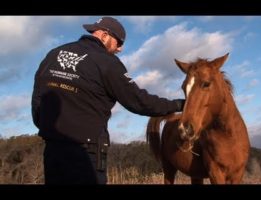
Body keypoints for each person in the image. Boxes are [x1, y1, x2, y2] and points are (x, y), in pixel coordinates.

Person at [31, 16, 185, 184]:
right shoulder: (107, 62)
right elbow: (139, 101)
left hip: (52, 150)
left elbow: (38, 99)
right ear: (104, 35)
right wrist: (178, 104)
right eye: (118, 43)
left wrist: (48, 130)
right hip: (86, 153)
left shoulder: (53, 54)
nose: (119, 49)